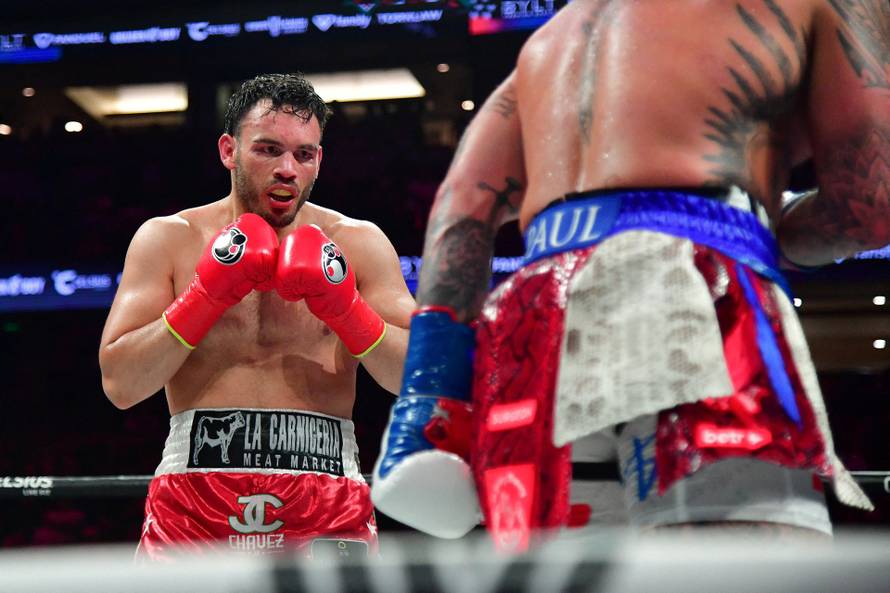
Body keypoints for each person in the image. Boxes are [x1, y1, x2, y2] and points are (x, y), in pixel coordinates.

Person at [372, 0, 886, 549]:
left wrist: (429, 400)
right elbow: (870, 206)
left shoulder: (551, 40)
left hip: (536, 329)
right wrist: (745, 229)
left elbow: (460, 211)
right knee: (753, 575)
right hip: (688, 293)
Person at [98, 73, 415, 559]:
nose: (287, 168)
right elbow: (120, 384)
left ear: (318, 162)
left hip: (325, 495)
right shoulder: (169, 239)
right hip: (195, 496)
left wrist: (347, 310)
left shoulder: (357, 244)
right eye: (268, 150)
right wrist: (205, 297)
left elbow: (417, 375)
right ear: (229, 150)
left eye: (303, 154)